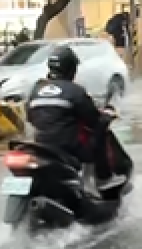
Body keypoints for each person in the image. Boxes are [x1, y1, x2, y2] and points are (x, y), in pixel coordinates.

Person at [25, 44, 130, 190]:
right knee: (101, 128)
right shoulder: (75, 91)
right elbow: (93, 119)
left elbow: (30, 117)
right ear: (71, 69)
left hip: (41, 146)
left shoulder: (36, 89)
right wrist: (105, 117)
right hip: (69, 149)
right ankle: (103, 178)